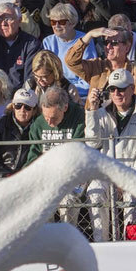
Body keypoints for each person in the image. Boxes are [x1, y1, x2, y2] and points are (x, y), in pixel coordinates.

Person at [85, 68, 136, 241]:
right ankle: (100, 243)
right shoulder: (100, 113)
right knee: (94, 190)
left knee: (132, 194)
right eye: (112, 89)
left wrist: (125, 177)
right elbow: (92, 143)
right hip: (107, 174)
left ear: (132, 89)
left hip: (135, 175)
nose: (116, 93)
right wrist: (92, 112)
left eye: (121, 89)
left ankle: (129, 242)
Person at [25, 86, 85, 224]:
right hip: (47, 176)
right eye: (46, 117)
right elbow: (33, 155)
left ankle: (68, 239)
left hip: (73, 175)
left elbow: (77, 152)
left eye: (54, 117)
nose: (49, 122)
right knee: (41, 202)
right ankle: (48, 241)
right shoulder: (39, 124)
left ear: (64, 108)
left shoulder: (79, 117)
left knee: (68, 201)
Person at [65, 25, 136, 109]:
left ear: (127, 47)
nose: (108, 47)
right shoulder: (96, 66)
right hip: (94, 119)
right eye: (106, 42)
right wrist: (89, 35)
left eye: (114, 43)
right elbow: (71, 61)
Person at [41, 3, 97, 99]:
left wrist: (70, 90)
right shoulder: (48, 42)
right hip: (55, 90)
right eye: (53, 22)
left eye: (62, 22)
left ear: (72, 23)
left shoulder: (85, 40)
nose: (57, 26)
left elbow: (89, 76)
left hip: (80, 92)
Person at [0, 88, 38, 177]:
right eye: (18, 105)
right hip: (3, 178)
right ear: (13, 106)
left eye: (27, 107)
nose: (22, 110)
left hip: (30, 177)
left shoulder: (38, 127)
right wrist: (7, 177)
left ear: (34, 110)